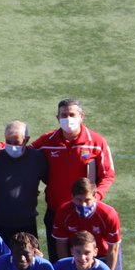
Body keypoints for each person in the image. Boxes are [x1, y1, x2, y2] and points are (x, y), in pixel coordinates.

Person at [30, 99, 115, 261]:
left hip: (86, 213)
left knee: (86, 261)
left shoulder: (97, 143)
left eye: (72, 114)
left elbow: (108, 174)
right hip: (56, 213)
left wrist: (96, 197)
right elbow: (24, 151)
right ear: (57, 118)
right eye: (64, 115)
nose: (68, 119)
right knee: (59, 262)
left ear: (81, 116)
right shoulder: (48, 141)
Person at [0, 121, 49, 246]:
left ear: (27, 139)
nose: (12, 146)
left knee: (27, 263)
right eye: (8, 142)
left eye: (17, 143)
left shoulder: (38, 159)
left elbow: (49, 180)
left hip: (26, 224)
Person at [51, 178, 122, 270]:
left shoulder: (108, 215)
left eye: (87, 200)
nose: (83, 205)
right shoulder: (63, 212)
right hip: (78, 255)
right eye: (79, 200)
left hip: (103, 255)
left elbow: (113, 249)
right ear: (72, 197)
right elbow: (61, 245)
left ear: (95, 197)